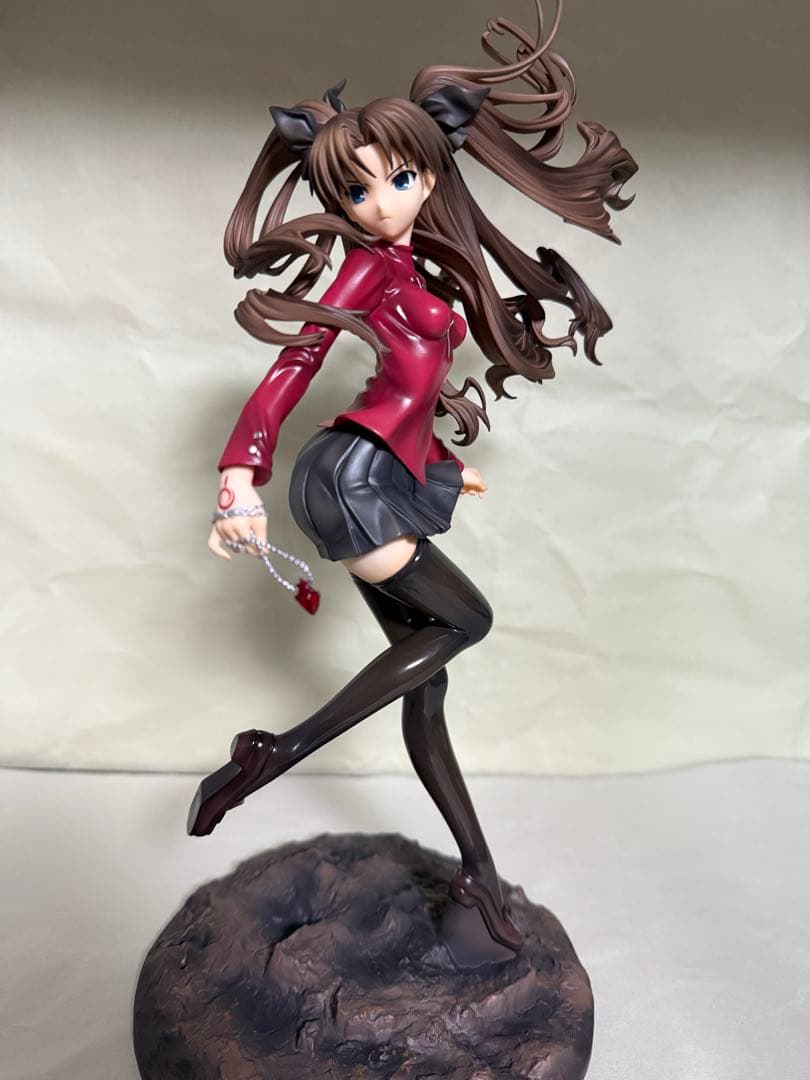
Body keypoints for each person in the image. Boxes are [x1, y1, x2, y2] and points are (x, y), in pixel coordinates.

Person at [187, 0, 636, 967]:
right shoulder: (364, 270)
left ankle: (477, 870)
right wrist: (238, 471)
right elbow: (298, 360)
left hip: (381, 470)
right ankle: (278, 753)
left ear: (431, 169)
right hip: (348, 481)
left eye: (398, 179)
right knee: (466, 622)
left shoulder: (413, 262)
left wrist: (438, 463)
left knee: (425, 684)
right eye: (357, 192)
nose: (382, 203)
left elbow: (406, 387)